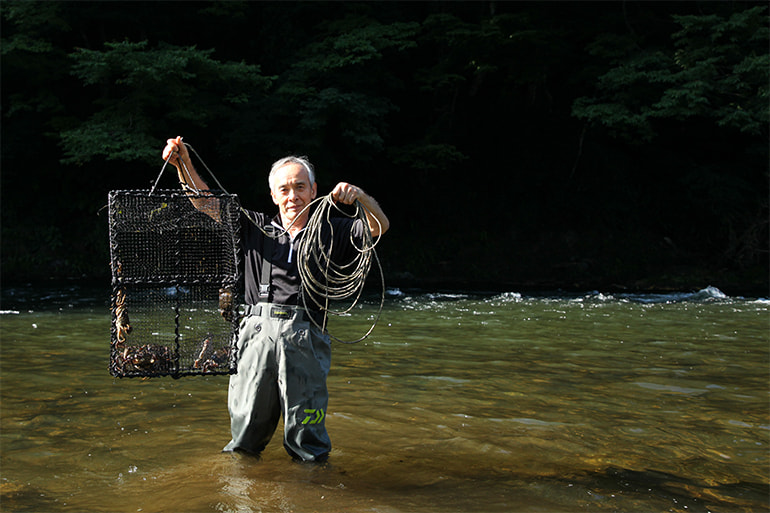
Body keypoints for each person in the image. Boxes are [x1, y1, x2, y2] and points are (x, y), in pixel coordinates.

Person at [161, 136, 389, 462]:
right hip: (255, 339)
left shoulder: (335, 229)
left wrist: (361, 198)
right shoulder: (254, 226)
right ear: (273, 195)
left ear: (313, 190)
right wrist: (181, 162)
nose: (292, 196)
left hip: (307, 337)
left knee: (307, 442)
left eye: (300, 187)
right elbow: (204, 202)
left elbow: (379, 226)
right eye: (284, 189)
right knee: (243, 440)